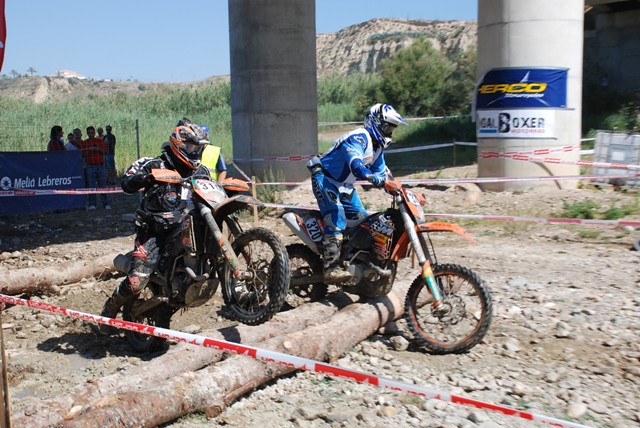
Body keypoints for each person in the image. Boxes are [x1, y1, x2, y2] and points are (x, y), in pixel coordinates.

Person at [92, 118, 210, 335]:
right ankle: (111, 308)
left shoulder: (201, 171)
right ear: (179, 145)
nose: (195, 152)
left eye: (198, 148)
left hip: (186, 229)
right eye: (192, 147)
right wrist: (145, 178)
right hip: (154, 231)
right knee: (137, 282)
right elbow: (126, 183)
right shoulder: (154, 164)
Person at [307, 103, 407, 282]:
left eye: (392, 128)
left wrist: (400, 190)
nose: (389, 132)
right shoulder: (359, 137)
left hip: (345, 185)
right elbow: (356, 164)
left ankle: (350, 258)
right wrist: (371, 177)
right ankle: (331, 267)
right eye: (387, 127)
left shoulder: (377, 148)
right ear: (375, 123)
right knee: (336, 217)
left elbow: (384, 173)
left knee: (361, 219)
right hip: (326, 179)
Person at [80, 126, 110, 210]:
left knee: (103, 185)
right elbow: (82, 155)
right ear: (87, 133)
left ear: (94, 133)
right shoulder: (84, 143)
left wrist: (97, 149)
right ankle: (92, 204)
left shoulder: (99, 141)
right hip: (90, 166)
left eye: (92, 132)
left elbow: (106, 152)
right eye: (89, 132)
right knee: (91, 185)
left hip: (101, 165)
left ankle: (106, 204)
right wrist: (89, 150)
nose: (91, 134)